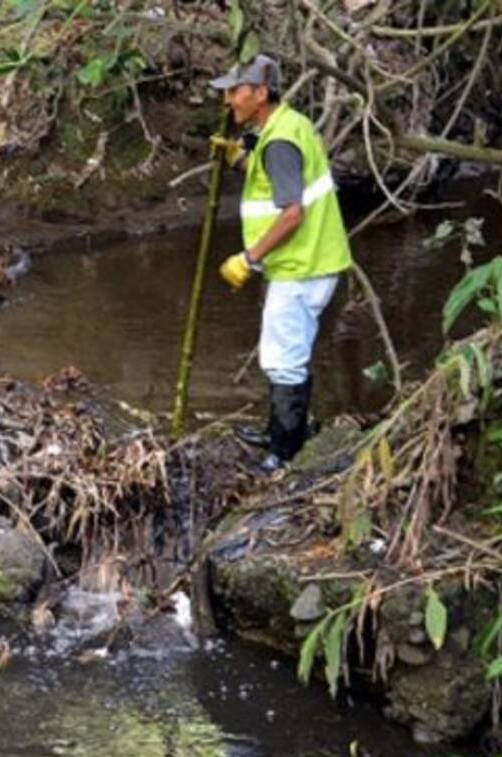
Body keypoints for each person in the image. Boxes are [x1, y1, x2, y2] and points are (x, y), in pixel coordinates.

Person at [209, 54, 352, 472]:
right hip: (310, 262)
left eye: (235, 92)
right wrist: (238, 159)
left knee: (282, 357)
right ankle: (284, 431)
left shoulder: (279, 142)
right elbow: (277, 176)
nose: (228, 101)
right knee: (287, 350)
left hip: (302, 267)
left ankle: (285, 453)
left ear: (261, 92)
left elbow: (292, 212)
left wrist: (248, 259)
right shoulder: (289, 124)